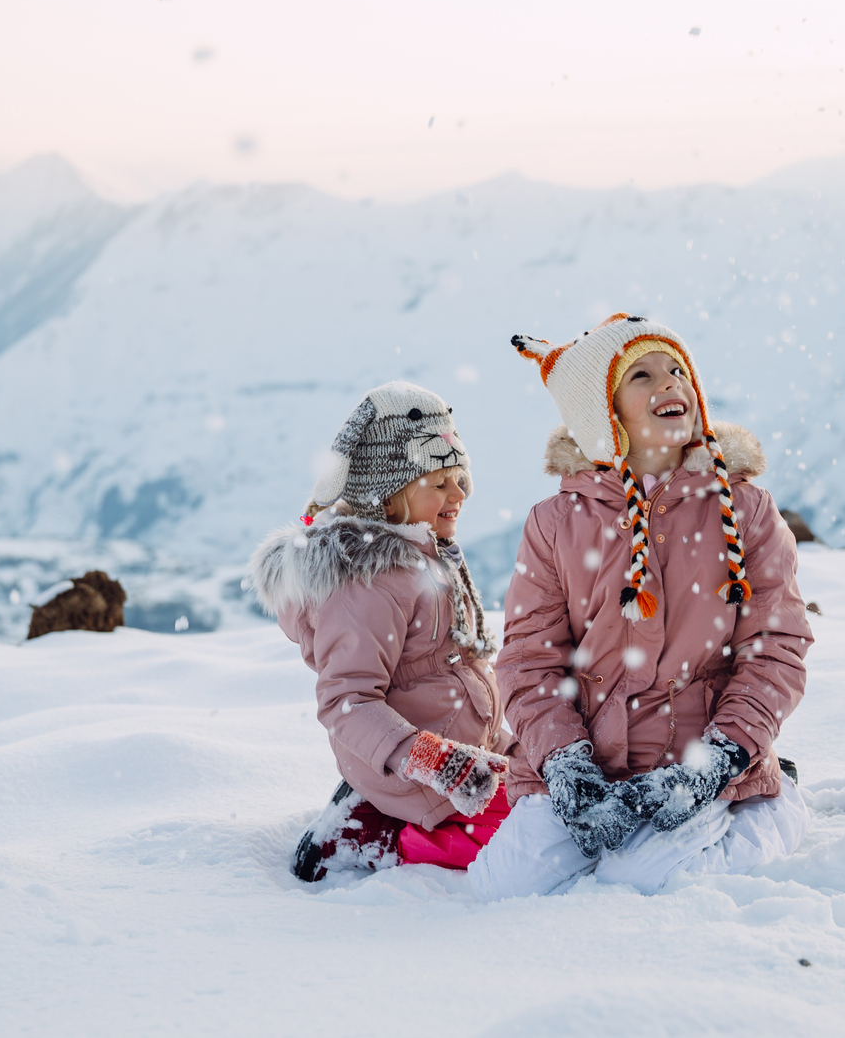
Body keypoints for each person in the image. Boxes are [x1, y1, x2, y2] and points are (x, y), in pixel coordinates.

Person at [467, 314, 813, 900]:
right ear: (602, 412)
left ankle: (767, 809)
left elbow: (776, 650)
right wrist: (566, 764)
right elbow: (528, 660)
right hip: (594, 765)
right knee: (502, 887)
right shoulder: (555, 523)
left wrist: (717, 761)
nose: (669, 385)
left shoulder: (743, 510)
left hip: (698, 762)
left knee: (641, 879)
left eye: (677, 370)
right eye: (643, 375)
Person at [250, 382, 512, 881]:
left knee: (544, 799)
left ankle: (386, 810)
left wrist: (508, 748)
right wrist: (433, 760)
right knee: (521, 838)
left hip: (458, 757)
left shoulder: (426, 556)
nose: (459, 494)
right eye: (438, 483)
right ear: (386, 498)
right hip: (413, 768)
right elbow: (347, 702)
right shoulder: (369, 584)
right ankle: (377, 836)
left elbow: (449, 678)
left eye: (459, 477)